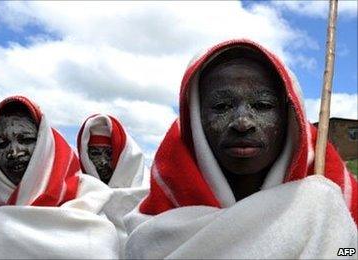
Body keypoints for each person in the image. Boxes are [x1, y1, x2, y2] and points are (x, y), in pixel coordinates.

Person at [125, 39, 357, 259]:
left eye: (263, 105)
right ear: (196, 118)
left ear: (289, 118)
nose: (243, 122)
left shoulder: (323, 207)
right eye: (222, 106)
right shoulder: (156, 222)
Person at [0, 96, 119, 258]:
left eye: (26, 140)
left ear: (44, 145)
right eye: (2, 144)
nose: (14, 152)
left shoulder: (88, 198)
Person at [77, 114, 149, 257]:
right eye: (95, 153)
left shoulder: (147, 192)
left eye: (109, 153)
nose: (103, 162)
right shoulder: (76, 196)